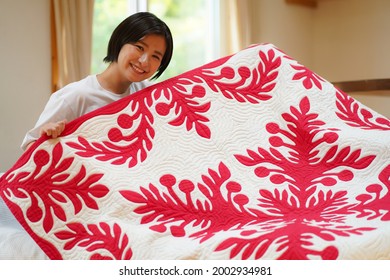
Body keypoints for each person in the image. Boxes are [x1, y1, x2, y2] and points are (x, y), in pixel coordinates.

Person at [21, 12, 173, 151]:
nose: (144, 61)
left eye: (156, 56)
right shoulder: (75, 96)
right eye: (139, 47)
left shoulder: (149, 96)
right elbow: (29, 148)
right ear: (120, 42)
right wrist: (46, 137)